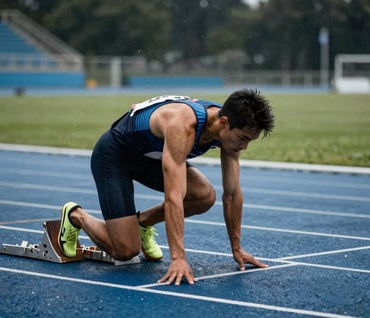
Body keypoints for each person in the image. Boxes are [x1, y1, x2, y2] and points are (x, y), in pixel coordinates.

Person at [58, 89, 275, 286]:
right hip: (115, 157)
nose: (244, 147)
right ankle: (76, 215)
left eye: (250, 141)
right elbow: (174, 197)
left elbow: (232, 193)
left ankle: (142, 223)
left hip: (149, 158)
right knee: (125, 250)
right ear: (224, 123)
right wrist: (178, 258)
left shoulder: (228, 128)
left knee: (204, 195)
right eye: (243, 139)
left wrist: (236, 248)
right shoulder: (183, 125)